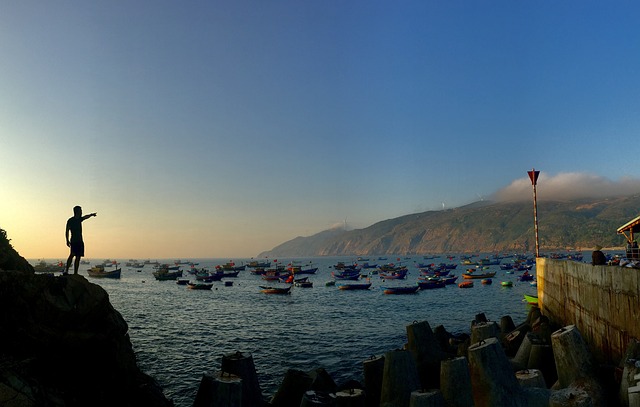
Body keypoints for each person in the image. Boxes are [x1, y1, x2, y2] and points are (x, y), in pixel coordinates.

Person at [64, 206, 97, 275]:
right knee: (72, 255)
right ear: (77, 212)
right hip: (74, 240)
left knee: (78, 257)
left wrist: (91, 215)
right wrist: (67, 240)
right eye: (80, 211)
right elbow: (67, 231)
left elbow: (85, 217)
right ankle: (66, 270)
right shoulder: (70, 220)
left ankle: (75, 273)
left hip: (80, 240)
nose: (81, 212)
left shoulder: (79, 219)